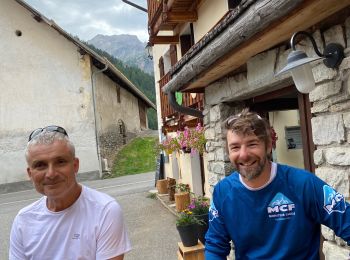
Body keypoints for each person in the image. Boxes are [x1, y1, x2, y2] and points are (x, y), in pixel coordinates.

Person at [205, 109, 350, 259]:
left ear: (268, 146)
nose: (243, 154)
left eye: (252, 144)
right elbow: (215, 246)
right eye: (235, 147)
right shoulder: (223, 192)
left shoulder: (304, 184)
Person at [9, 126, 131, 260]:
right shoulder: (23, 220)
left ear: (75, 165)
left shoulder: (104, 211)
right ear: (30, 173)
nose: (51, 174)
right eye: (40, 165)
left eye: (60, 162)